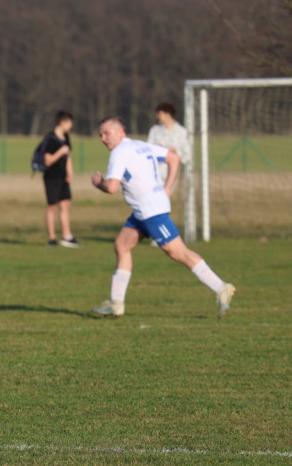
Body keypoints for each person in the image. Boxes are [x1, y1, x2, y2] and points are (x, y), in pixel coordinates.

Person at [90, 116, 235, 318]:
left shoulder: (119, 153)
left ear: (121, 131)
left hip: (152, 212)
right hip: (142, 211)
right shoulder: (141, 145)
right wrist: (167, 188)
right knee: (122, 245)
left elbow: (112, 187)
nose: (103, 139)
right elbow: (173, 158)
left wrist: (98, 183)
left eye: (107, 133)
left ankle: (221, 288)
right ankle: (116, 303)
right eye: (100, 135)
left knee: (178, 253)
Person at [40, 110, 79, 247]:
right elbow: (47, 161)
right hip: (51, 177)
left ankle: (67, 236)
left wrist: (70, 172)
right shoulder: (50, 139)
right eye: (69, 122)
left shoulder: (66, 137)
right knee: (52, 207)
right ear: (61, 122)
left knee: (65, 205)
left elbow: (68, 156)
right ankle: (51, 239)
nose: (71, 126)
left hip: (63, 177)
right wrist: (60, 152)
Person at [146, 102, 192, 185]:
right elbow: (147, 151)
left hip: (171, 174)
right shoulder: (154, 130)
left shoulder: (182, 132)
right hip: (154, 173)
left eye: (159, 114)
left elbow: (187, 157)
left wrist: (175, 152)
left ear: (168, 114)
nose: (157, 116)